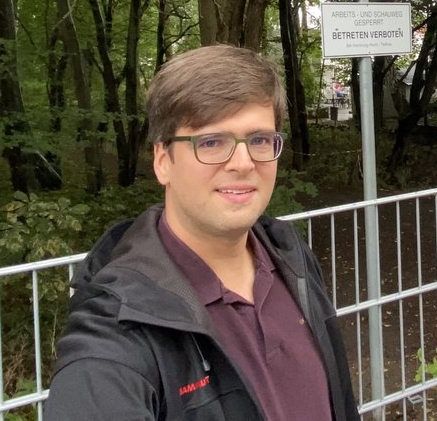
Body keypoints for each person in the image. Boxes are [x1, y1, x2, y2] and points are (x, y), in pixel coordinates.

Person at [45, 45, 360, 421]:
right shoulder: (118, 330)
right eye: (212, 142)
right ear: (163, 161)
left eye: (259, 140)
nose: (243, 163)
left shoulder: (290, 256)